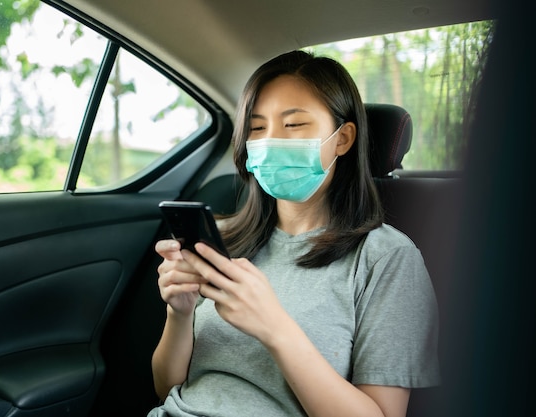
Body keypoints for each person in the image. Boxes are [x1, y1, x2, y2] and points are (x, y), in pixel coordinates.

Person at [148, 50, 440, 417]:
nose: (271, 141)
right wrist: (181, 313)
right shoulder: (223, 240)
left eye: (295, 125)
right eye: (257, 128)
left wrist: (275, 328)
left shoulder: (387, 259)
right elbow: (166, 389)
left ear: (343, 139)